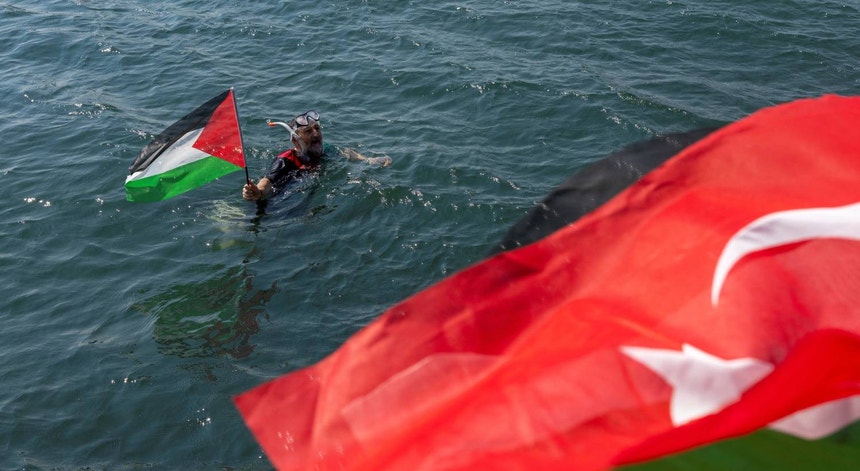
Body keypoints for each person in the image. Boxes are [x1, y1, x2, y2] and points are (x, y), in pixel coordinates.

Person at [242, 110, 391, 201]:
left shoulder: (325, 150)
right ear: (295, 140)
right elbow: (267, 181)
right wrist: (258, 192)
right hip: (278, 205)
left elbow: (346, 153)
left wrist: (370, 160)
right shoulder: (286, 159)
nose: (316, 134)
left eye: (317, 129)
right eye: (308, 131)